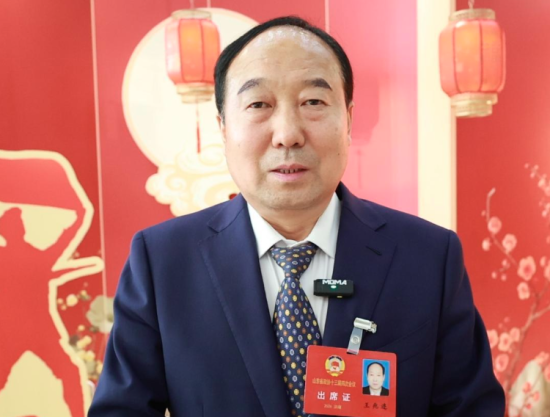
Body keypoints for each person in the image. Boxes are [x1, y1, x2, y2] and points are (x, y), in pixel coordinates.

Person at [89, 16, 505, 417]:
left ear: (348, 119)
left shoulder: (428, 257)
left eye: (313, 102)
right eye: (259, 104)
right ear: (223, 127)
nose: (287, 133)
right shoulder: (162, 262)